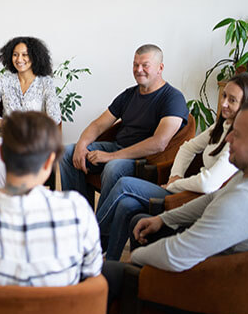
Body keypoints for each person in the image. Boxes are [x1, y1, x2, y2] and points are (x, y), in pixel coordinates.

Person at [103, 100, 248, 314]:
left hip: (216, 296)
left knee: (107, 274)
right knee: (143, 222)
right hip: (223, 267)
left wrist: (136, 259)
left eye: (237, 135)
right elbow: (212, 198)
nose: (227, 139)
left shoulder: (246, 201)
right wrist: (163, 218)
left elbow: (177, 254)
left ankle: (134, 296)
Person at [96, 73, 248, 260]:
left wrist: (174, 186)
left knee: (124, 184)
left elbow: (208, 184)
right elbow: (187, 147)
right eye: (224, 95)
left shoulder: (241, 141)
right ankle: (106, 260)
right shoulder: (222, 125)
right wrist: (175, 176)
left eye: (232, 100)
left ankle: (91, 241)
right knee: (125, 204)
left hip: (194, 197)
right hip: (184, 188)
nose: (224, 103)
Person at [0, 111, 102, 286]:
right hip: (54, 311)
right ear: (49, 162)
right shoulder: (77, 211)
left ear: (2, 154)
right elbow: (91, 271)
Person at [59, 44, 188, 204]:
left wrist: (110, 157)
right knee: (67, 153)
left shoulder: (173, 98)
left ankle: (100, 225)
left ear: (160, 68)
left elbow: (159, 143)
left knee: (113, 167)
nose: (139, 69)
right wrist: (81, 145)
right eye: (135, 64)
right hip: (117, 147)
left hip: (144, 159)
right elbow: (98, 125)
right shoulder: (129, 94)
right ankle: (77, 214)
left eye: (145, 65)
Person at [0, 36, 61, 188]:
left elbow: (54, 117)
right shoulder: (5, 80)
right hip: (7, 135)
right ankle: (2, 202)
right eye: (15, 54)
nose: (19, 59)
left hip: (35, 138)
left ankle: (25, 205)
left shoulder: (45, 82)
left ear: (34, 56)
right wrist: (3, 123)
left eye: (24, 54)